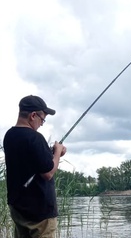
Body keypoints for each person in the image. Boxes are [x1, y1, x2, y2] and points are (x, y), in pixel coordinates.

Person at [3, 95, 67, 238]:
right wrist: (57, 152)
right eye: (42, 119)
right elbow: (48, 173)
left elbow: (30, 161)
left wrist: (50, 155)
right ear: (33, 115)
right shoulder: (35, 137)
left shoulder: (9, 136)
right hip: (39, 212)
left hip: (18, 208)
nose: (42, 123)